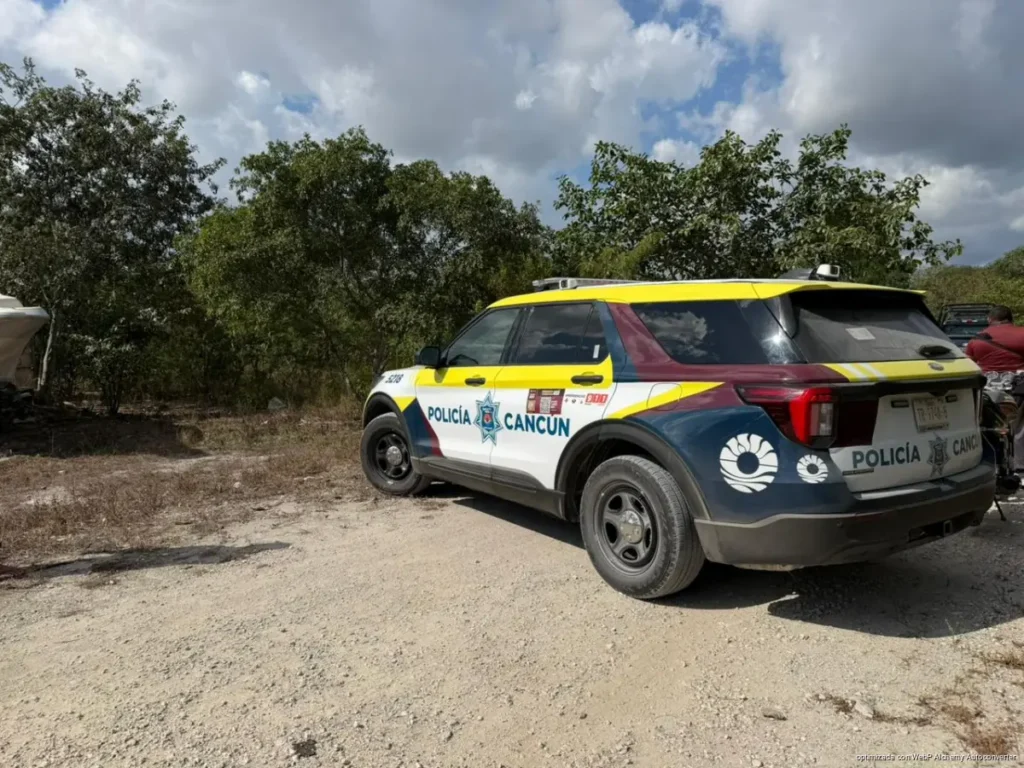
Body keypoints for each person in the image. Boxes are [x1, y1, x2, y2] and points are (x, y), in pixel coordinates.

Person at [965, 305, 1024, 474]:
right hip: (1019, 387)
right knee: (1019, 427)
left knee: (988, 426)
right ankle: (1019, 467)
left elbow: (969, 365)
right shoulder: (1022, 334)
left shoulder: (976, 339)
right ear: (1010, 318)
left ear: (990, 320)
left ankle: (990, 464)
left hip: (988, 391)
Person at [965, 305, 1024, 371]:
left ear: (989, 319)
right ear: (1012, 319)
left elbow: (968, 365)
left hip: (987, 379)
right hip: (1019, 379)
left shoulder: (976, 339)